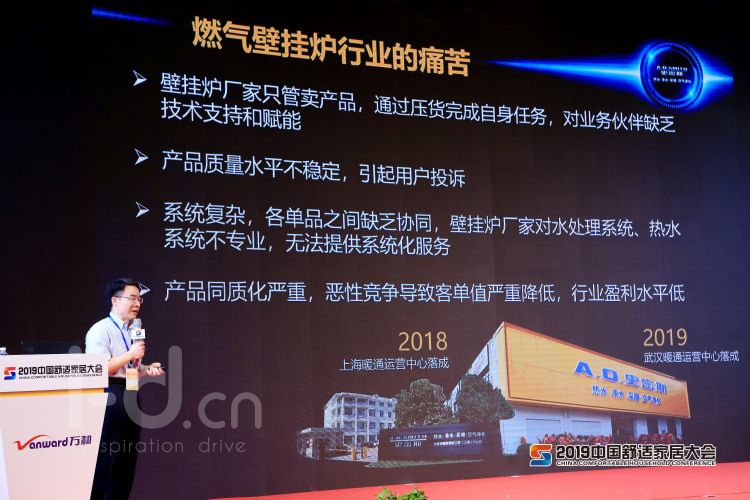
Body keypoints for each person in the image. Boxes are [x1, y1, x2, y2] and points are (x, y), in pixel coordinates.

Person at [85, 278, 165, 500]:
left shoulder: (132, 330)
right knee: (105, 457)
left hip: (130, 392)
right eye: (132, 298)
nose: (137, 303)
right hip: (108, 395)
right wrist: (130, 354)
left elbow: (130, 368)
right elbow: (99, 368)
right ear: (115, 300)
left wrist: (147, 369)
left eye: (139, 299)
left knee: (126, 458)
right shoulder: (100, 330)